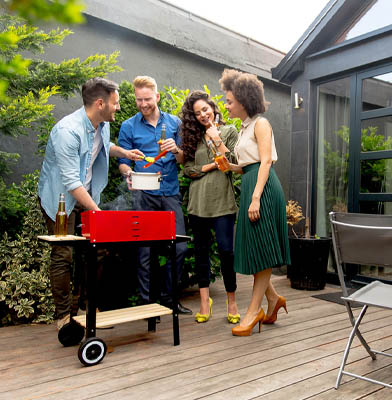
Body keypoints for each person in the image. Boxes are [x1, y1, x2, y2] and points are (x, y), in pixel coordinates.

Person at [38, 77, 144, 334]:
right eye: (115, 103)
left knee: (97, 251)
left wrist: (124, 153)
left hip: (86, 195)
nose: (118, 107)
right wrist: (97, 213)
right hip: (62, 200)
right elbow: (72, 182)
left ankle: (87, 308)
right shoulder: (67, 131)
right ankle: (63, 317)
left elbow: (102, 146)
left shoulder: (101, 123)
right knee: (63, 255)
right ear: (100, 103)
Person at [219, 69, 290, 336]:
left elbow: (266, 161)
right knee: (256, 248)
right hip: (251, 181)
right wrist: (232, 167)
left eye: (229, 101)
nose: (226, 105)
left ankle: (253, 311)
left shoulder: (261, 124)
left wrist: (256, 197)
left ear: (244, 100)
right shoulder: (244, 127)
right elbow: (249, 165)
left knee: (262, 247)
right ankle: (273, 299)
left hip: (264, 188)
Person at [117, 76, 191, 315]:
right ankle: (146, 304)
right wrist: (128, 173)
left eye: (147, 99)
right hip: (143, 194)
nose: (143, 103)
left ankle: (170, 299)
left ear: (157, 97)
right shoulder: (128, 126)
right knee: (144, 249)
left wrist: (176, 149)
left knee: (178, 247)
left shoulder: (175, 123)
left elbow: (182, 159)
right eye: (139, 99)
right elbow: (122, 162)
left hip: (169, 191)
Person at [180, 90, 240, 323]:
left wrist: (216, 138)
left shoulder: (229, 131)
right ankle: (205, 304)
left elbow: (233, 164)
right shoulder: (193, 138)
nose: (203, 115)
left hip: (223, 204)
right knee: (201, 254)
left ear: (213, 108)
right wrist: (209, 166)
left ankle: (232, 302)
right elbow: (188, 170)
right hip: (198, 204)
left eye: (205, 109)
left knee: (227, 253)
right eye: (197, 113)